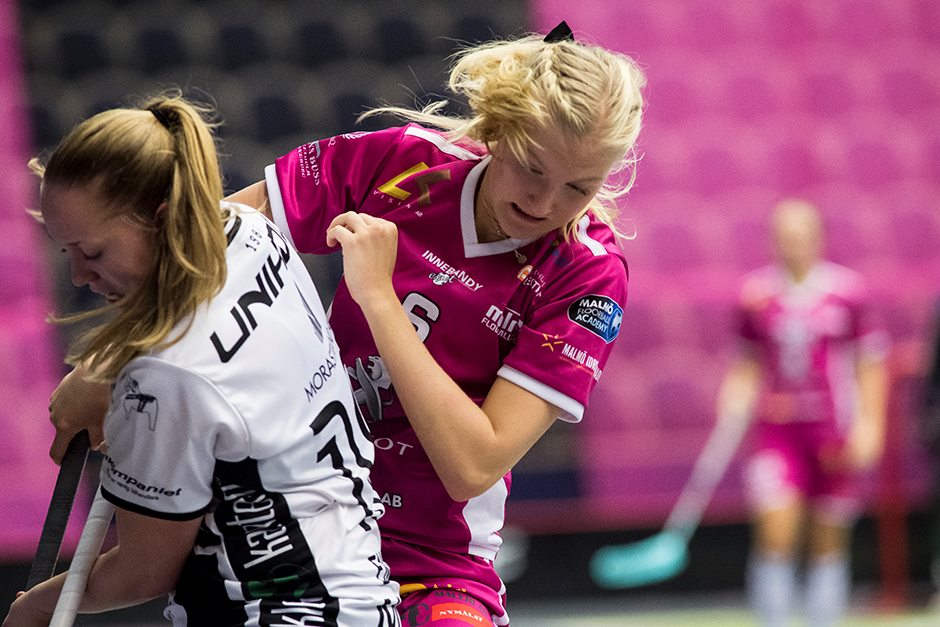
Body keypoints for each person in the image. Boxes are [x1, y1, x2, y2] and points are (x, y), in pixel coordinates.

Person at [47, 22, 645, 626]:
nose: (545, 203)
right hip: (298, 523)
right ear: (496, 129)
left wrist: (379, 300)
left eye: (580, 186)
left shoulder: (589, 273)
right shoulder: (404, 160)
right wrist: (108, 365)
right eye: (532, 168)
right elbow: (209, 242)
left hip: (436, 563)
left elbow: (473, 464)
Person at [4, 93, 400, 626]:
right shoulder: (251, 230)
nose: (78, 275)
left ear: (162, 219)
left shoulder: (161, 377)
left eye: (93, 252)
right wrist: (107, 369)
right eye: (65, 251)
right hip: (364, 597)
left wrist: (32, 608)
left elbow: (142, 573)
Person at [716, 199, 889, 627]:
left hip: (834, 431)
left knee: (828, 542)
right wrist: (733, 397)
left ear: (818, 239)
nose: (791, 245)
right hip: (777, 433)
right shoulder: (756, 295)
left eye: (799, 236)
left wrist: (870, 424)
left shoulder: (847, 292)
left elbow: (870, 363)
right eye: (783, 237)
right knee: (776, 533)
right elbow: (747, 363)